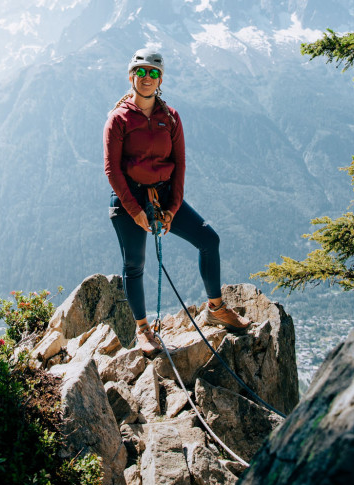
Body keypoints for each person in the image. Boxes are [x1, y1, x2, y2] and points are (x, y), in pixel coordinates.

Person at [103, 48, 250, 357]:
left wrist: (172, 208)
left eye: (154, 73)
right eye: (141, 72)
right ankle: (143, 329)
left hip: (166, 194)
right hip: (130, 198)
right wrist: (135, 211)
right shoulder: (118, 119)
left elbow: (180, 163)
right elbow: (112, 170)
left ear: (161, 79)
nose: (147, 78)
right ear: (131, 76)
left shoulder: (170, 117)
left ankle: (216, 308)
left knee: (209, 239)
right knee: (135, 264)